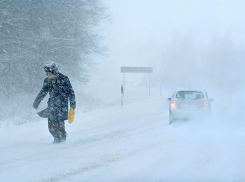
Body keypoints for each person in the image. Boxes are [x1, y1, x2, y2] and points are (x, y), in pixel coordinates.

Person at [33, 61, 76, 143]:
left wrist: (72, 106)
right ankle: (56, 137)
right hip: (52, 106)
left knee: (60, 124)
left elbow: (71, 93)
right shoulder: (47, 81)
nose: (48, 76)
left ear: (55, 71)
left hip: (62, 106)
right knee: (51, 127)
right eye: (47, 74)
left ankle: (62, 138)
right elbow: (43, 92)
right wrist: (37, 101)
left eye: (50, 74)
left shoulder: (64, 79)